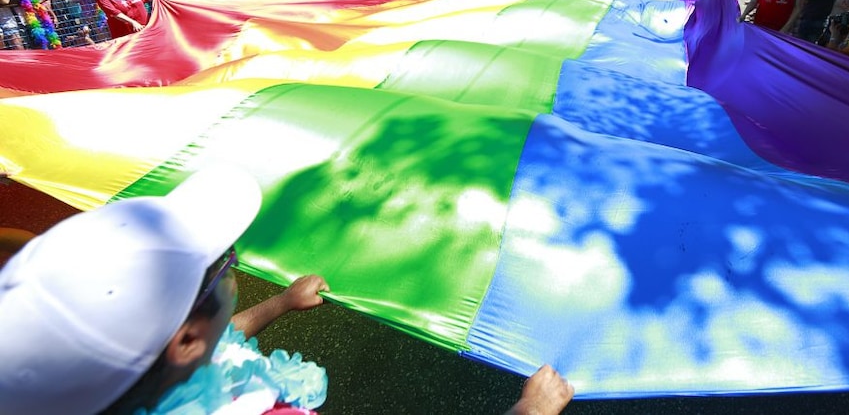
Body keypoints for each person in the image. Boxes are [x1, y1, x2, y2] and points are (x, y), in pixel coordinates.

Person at [0, 168, 574, 415]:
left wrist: (278, 303)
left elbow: (218, 344)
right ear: (182, 339)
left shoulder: (130, 381)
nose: (232, 266)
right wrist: (530, 408)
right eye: (222, 264)